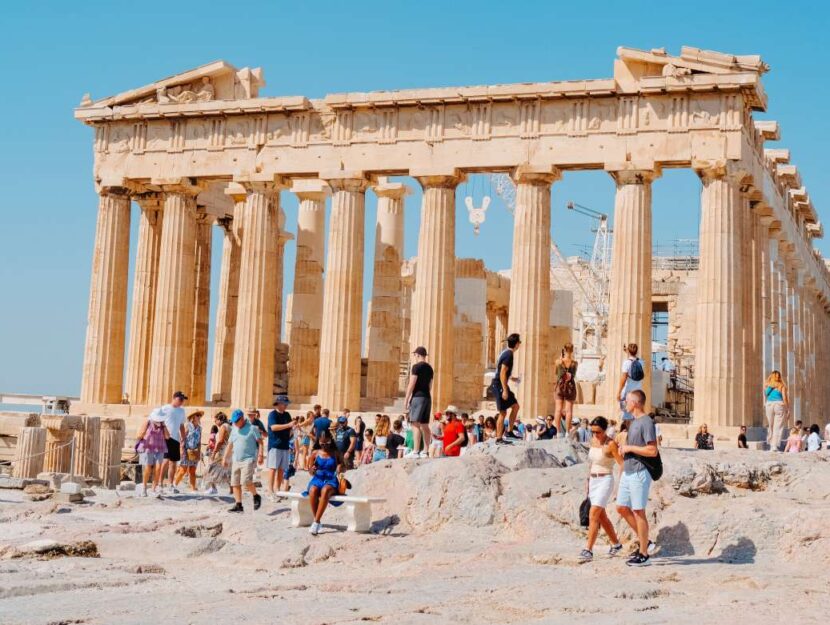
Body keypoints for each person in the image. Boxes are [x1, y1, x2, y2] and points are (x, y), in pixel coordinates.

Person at [616, 389, 659, 567]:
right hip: (628, 470)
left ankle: (644, 554)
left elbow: (652, 450)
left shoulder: (646, 422)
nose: (625, 403)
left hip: (640, 471)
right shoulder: (633, 422)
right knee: (621, 508)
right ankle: (645, 540)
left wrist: (630, 448)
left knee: (638, 511)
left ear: (635, 403)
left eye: (627, 400)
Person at [579, 416, 624, 562]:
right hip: (593, 480)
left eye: (598, 432)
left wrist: (621, 485)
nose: (595, 434)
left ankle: (588, 549)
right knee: (601, 516)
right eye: (593, 431)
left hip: (605, 480)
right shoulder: (593, 441)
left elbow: (621, 464)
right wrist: (588, 482)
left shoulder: (611, 444)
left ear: (605, 430)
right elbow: (591, 463)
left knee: (593, 514)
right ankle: (616, 544)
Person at [223, 409, 264, 513]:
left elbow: (260, 442)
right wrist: (225, 458)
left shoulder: (252, 428)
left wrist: (260, 455)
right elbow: (230, 445)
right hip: (236, 459)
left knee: (246, 481)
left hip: (248, 459)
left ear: (242, 419)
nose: (235, 423)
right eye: (234, 422)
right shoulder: (234, 429)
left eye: (237, 421)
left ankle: (256, 496)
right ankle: (238, 505)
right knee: (235, 483)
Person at [149, 391, 187, 494]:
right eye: (180, 399)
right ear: (174, 398)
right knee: (165, 461)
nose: (182, 402)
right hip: (165, 438)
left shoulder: (182, 411)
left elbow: (181, 425)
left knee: (173, 462)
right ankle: (160, 484)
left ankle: (170, 484)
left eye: (183, 400)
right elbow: (155, 419)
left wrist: (183, 439)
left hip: (175, 439)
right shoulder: (165, 408)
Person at [305, 430, 342, 535]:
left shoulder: (336, 453)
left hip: (331, 479)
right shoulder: (315, 453)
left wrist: (340, 467)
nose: (324, 445)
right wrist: (312, 470)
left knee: (325, 490)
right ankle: (318, 522)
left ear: (331, 440)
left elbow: (344, 466)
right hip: (318, 478)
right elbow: (310, 472)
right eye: (322, 443)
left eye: (327, 443)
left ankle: (316, 522)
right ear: (318, 441)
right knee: (313, 490)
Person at [492, 333, 522, 444]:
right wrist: (505, 389)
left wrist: (513, 379)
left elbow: (502, 371)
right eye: (519, 342)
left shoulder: (505, 352)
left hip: (501, 383)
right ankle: (499, 438)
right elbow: (503, 371)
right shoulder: (509, 354)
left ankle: (509, 431)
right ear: (517, 344)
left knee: (515, 406)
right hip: (499, 385)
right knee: (502, 412)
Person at [404, 346, 434, 458]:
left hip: (418, 397)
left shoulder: (416, 367)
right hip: (427, 397)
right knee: (425, 425)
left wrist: (407, 399)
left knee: (415, 424)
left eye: (415, 355)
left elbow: (412, 383)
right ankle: (425, 452)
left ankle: (416, 451)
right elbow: (430, 385)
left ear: (417, 355)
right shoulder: (430, 368)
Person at [135, 411, 169, 497]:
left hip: (160, 448)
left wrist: (164, 426)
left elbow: (168, 437)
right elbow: (139, 435)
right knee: (148, 468)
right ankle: (144, 487)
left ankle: (154, 488)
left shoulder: (162, 425)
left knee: (158, 468)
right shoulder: (148, 422)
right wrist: (144, 436)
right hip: (148, 448)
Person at [265, 395, 293, 498]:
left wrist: (293, 427)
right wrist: (288, 425)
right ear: (279, 404)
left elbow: (289, 430)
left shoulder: (287, 415)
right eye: (284, 403)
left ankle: (277, 490)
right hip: (275, 445)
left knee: (281, 469)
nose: (286, 405)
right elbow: (273, 427)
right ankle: (270, 490)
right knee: (273, 468)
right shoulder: (272, 414)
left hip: (285, 445)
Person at [553, 343, 578, 437]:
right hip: (570, 386)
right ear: (572, 350)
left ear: (564, 349)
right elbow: (574, 375)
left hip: (560, 385)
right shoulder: (575, 363)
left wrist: (560, 358)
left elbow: (556, 373)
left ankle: (558, 431)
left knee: (558, 409)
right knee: (569, 410)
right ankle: (567, 431)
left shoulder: (558, 362)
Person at [173, 411, 203, 491]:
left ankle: (193, 488)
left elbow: (199, 441)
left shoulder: (200, 428)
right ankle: (174, 485)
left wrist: (199, 452)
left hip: (194, 451)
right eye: (198, 415)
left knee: (192, 471)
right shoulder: (187, 426)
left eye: (200, 415)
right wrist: (181, 450)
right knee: (183, 470)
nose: (199, 416)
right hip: (186, 451)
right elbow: (182, 439)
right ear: (193, 417)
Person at [203, 412, 231, 495]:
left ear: (219, 420)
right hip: (228, 452)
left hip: (222, 451)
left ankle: (213, 488)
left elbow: (220, 441)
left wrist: (214, 452)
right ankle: (232, 489)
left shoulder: (223, 427)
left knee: (209, 469)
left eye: (215, 421)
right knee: (226, 472)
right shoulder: (229, 426)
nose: (215, 423)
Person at [615, 344, 644, 422]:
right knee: (636, 413)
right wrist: (628, 351)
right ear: (637, 351)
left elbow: (624, 378)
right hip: (638, 391)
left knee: (626, 414)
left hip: (628, 392)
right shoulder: (641, 362)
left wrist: (619, 392)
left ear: (628, 351)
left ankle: (628, 431)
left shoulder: (626, 362)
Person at [764, 371, 789, 451]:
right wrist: (788, 409)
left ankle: (771, 443)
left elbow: (766, 394)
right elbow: (784, 398)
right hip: (779, 405)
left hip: (769, 405)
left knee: (771, 425)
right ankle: (774, 446)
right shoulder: (781, 385)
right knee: (777, 426)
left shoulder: (767, 385)